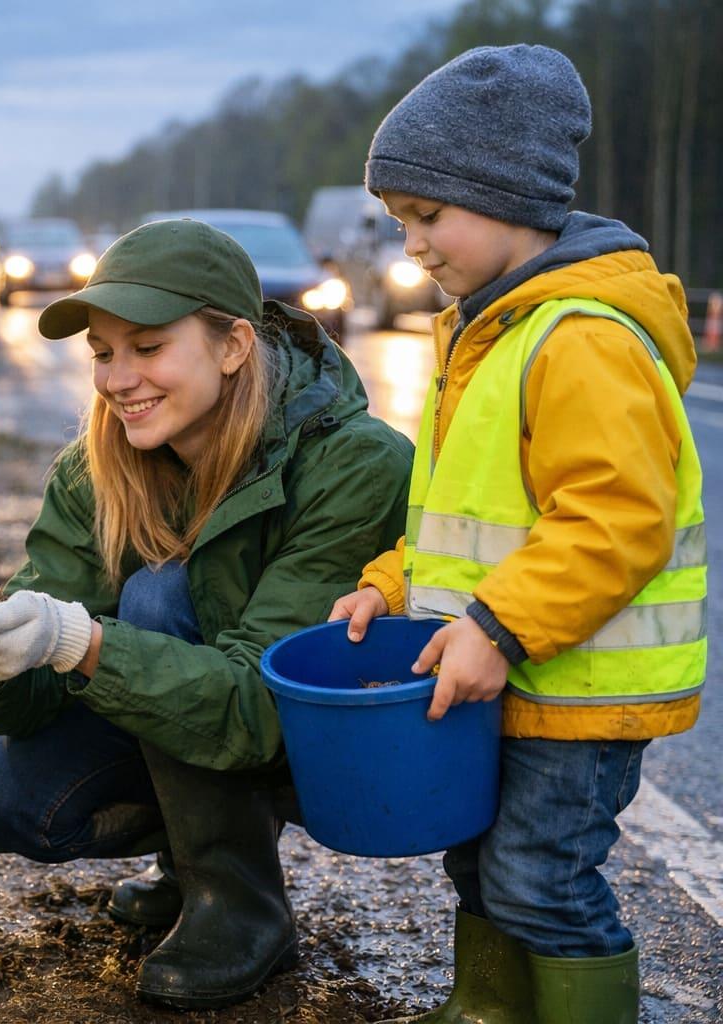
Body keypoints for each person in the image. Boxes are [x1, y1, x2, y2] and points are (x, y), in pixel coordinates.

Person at [0, 220, 413, 1011]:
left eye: (148, 347)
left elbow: (260, 710)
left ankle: (239, 905)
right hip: (200, 718)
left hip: (329, 748)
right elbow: (34, 688)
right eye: (103, 353)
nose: (116, 379)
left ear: (233, 344)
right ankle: (189, 859)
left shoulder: (357, 464)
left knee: (159, 595)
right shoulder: (94, 467)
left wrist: (80, 641)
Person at [327, 46, 705, 1024]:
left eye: (427, 215)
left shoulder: (581, 338)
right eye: (401, 220)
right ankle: (486, 1008)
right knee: (480, 858)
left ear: (508, 196)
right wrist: (389, 585)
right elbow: (454, 510)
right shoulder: (482, 329)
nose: (410, 245)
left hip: (572, 688)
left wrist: (497, 626)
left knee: (542, 878)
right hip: (499, 667)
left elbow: (619, 519)